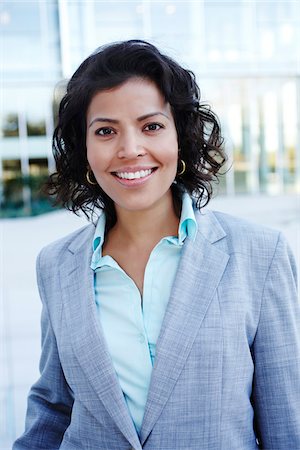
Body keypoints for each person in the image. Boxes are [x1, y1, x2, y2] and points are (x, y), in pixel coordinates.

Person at [13, 40, 300, 450]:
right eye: (106, 131)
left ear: (180, 137)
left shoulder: (260, 253)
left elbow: (286, 423)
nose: (130, 149)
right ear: (86, 149)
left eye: (151, 126)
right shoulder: (57, 265)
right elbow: (53, 408)